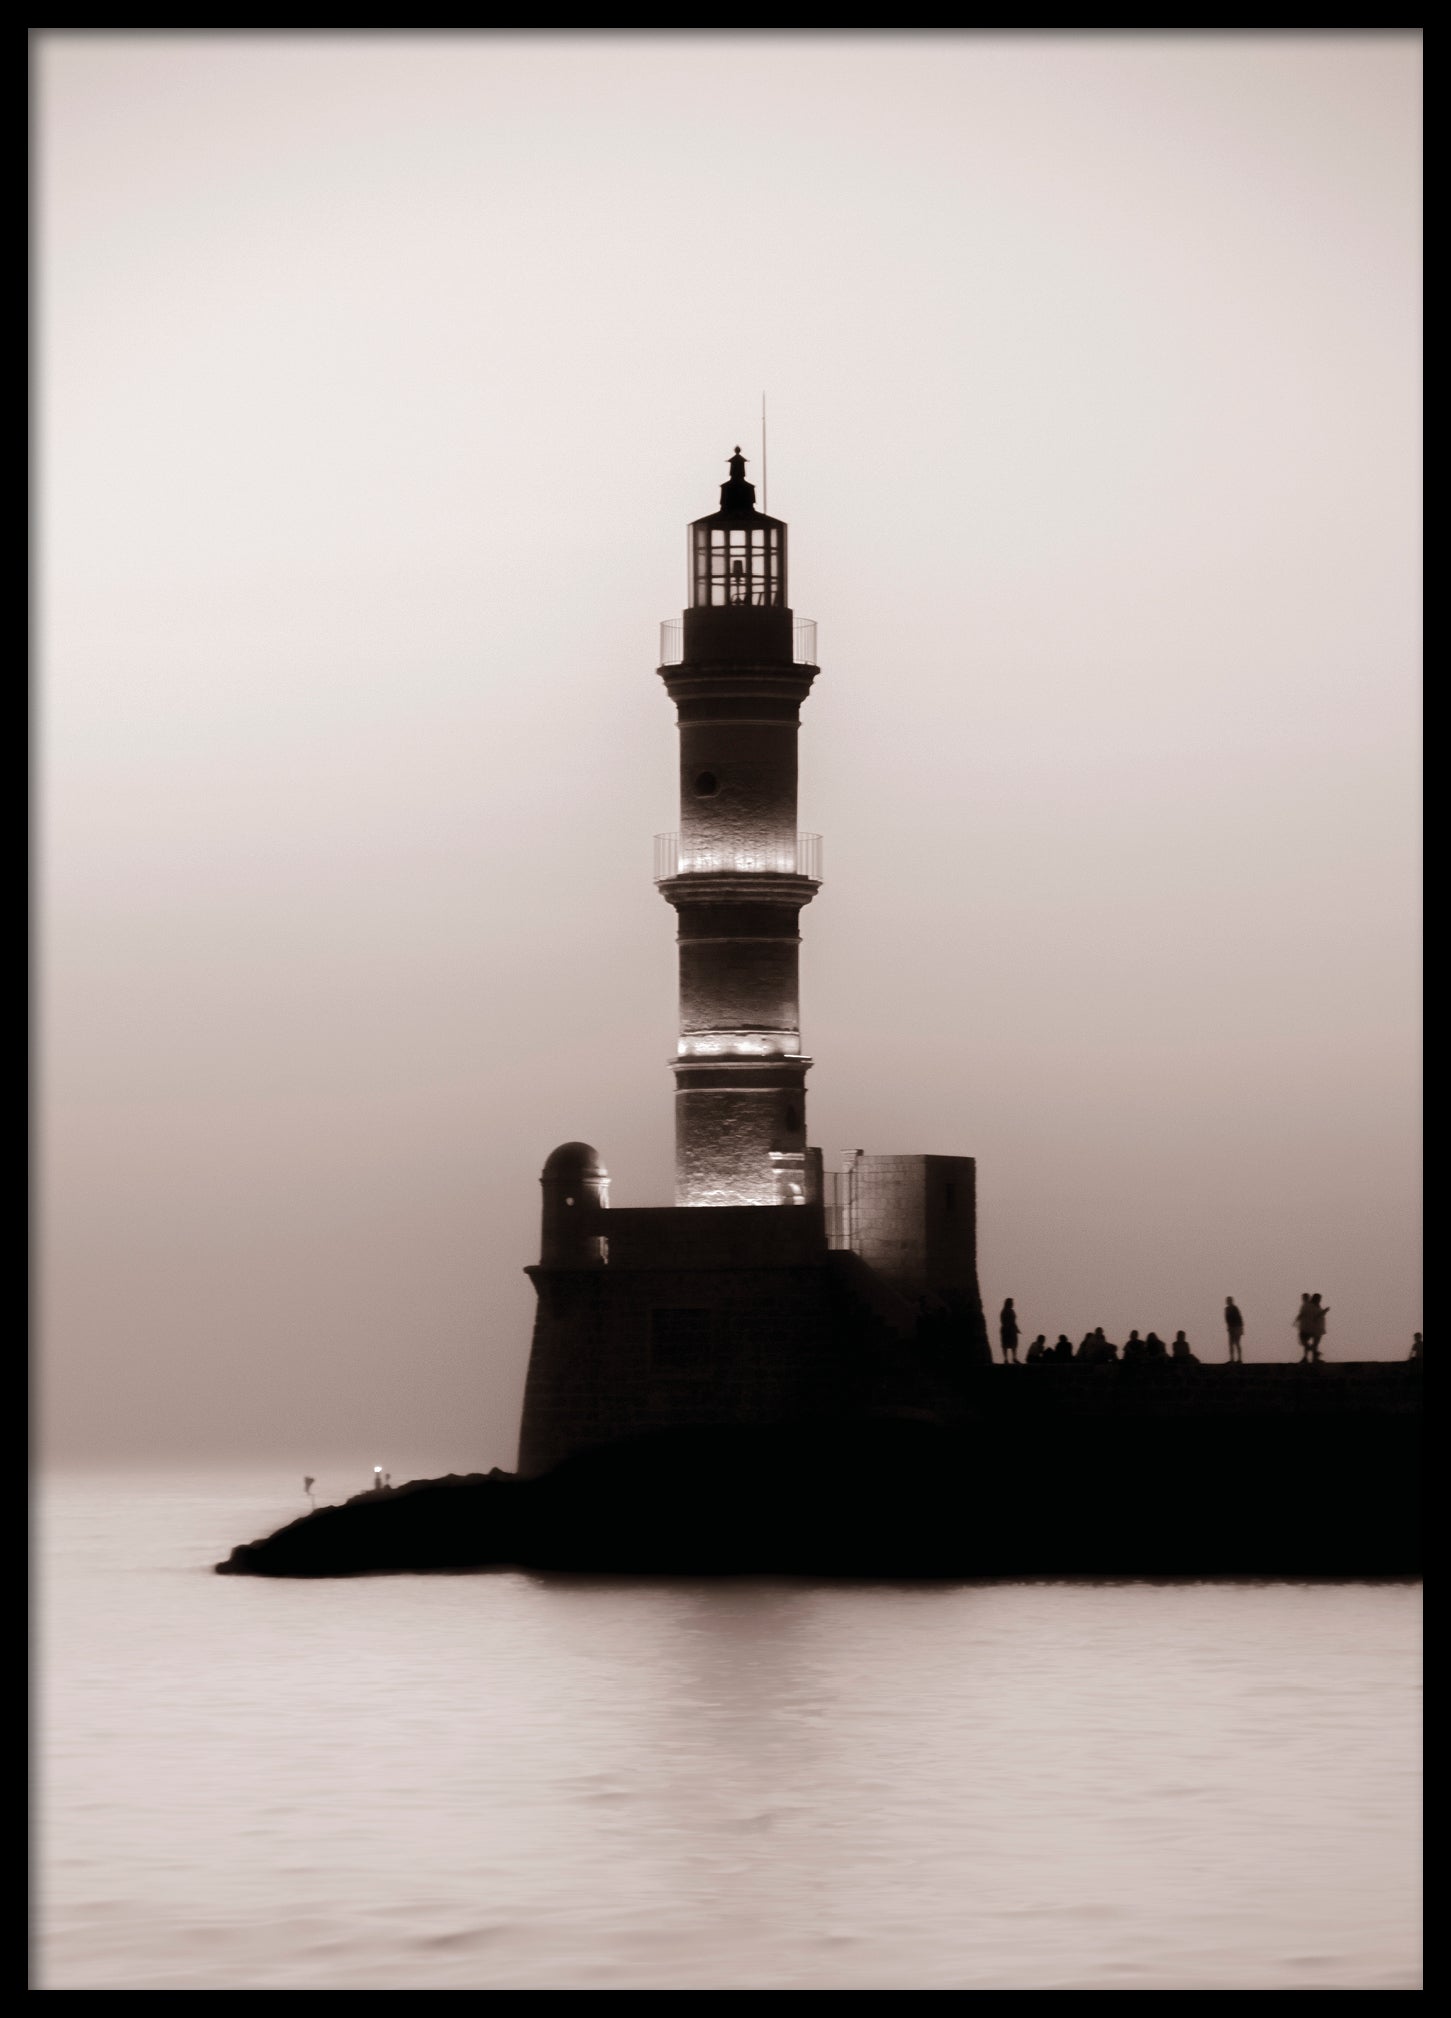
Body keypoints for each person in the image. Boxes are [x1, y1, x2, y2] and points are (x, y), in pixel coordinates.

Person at [1305, 1294, 1329, 1363]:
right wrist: (1325, 1311)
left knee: (1316, 1344)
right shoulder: (1313, 1306)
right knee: (1315, 1344)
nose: (1320, 1300)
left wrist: (1324, 1312)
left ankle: (1315, 1357)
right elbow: (1316, 1316)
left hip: (1318, 1328)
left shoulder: (1316, 1306)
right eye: (1319, 1299)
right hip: (1316, 1328)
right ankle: (1315, 1357)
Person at [1295, 1293, 1317, 1361]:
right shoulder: (1312, 1305)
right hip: (1311, 1328)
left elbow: (1301, 1314)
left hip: (1304, 1327)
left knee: (1303, 1342)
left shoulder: (1305, 1305)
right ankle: (1305, 1357)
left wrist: (1296, 1320)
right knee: (1305, 1342)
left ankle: (1313, 1351)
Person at [999, 1297, 1021, 1364]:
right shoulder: (1004, 1311)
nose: (1012, 1304)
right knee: (1005, 1345)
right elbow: (1003, 1321)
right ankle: (1006, 1359)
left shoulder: (1011, 1311)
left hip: (1011, 1329)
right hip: (1007, 1329)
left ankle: (1014, 1358)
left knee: (1013, 1345)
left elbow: (1014, 1321)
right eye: (1011, 1303)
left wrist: (1016, 1329)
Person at [1224, 1296, 1244, 1363]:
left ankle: (1239, 1359)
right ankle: (1232, 1359)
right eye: (1227, 1300)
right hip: (1231, 1328)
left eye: (1228, 1300)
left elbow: (1239, 1318)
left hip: (1236, 1327)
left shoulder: (1235, 1308)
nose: (1227, 1301)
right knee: (1231, 1344)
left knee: (1237, 1343)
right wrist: (1228, 1327)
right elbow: (1227, 1320)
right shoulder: (1226, 1309)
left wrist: (1241, 1329)